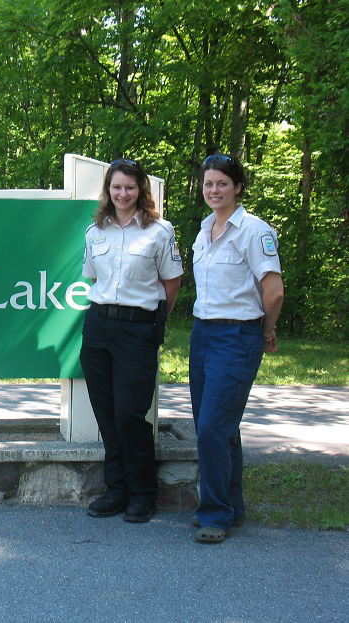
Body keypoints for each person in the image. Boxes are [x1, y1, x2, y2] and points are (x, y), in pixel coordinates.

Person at [79, 158, 183, 523]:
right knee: (106, 415)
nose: (122, 194)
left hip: (137, 331)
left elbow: (172, 284)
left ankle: (142, 493)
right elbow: (92, 277)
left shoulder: (160, 231)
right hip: (98, 328)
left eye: (130, 187)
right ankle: (116, 490)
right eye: (116, 187)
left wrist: (151, 323)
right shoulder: (95, 232)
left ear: (142, 190)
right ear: (108, 190)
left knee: (130, 415)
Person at [190, 153, 284, 543]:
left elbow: (274, 290)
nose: (214, 190)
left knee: (212, 427)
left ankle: (215, 516)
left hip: (238, 336)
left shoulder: (254, 230)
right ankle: (232, 505)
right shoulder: (204, 229)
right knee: (218, 427)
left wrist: (266, 330)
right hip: (203, 334)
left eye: (222, 183)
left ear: (238, 187)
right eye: (209, 183)